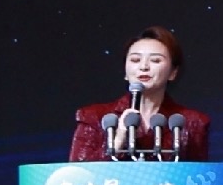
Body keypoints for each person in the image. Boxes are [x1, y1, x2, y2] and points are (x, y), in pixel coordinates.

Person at [71, 26, 209, 160]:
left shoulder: (192, 122)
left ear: (173, 72)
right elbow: (77, 171)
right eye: (135, 60)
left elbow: (198, 172)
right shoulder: (94, 117)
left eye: (155, 60)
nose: (144, 67)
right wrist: (118, 139)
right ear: (125, 72)